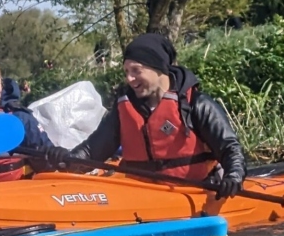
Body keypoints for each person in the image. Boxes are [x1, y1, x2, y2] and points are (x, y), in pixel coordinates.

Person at [44, 33, 247, 199]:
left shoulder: (197, 104)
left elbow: (230, 148)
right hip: (140, 195)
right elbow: (92, 151)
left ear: (159, 69)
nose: (129, 79)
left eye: (136, 71)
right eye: (126, 71)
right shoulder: (124, 108)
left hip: (195, 192)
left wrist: (234, 176)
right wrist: (67, 159)